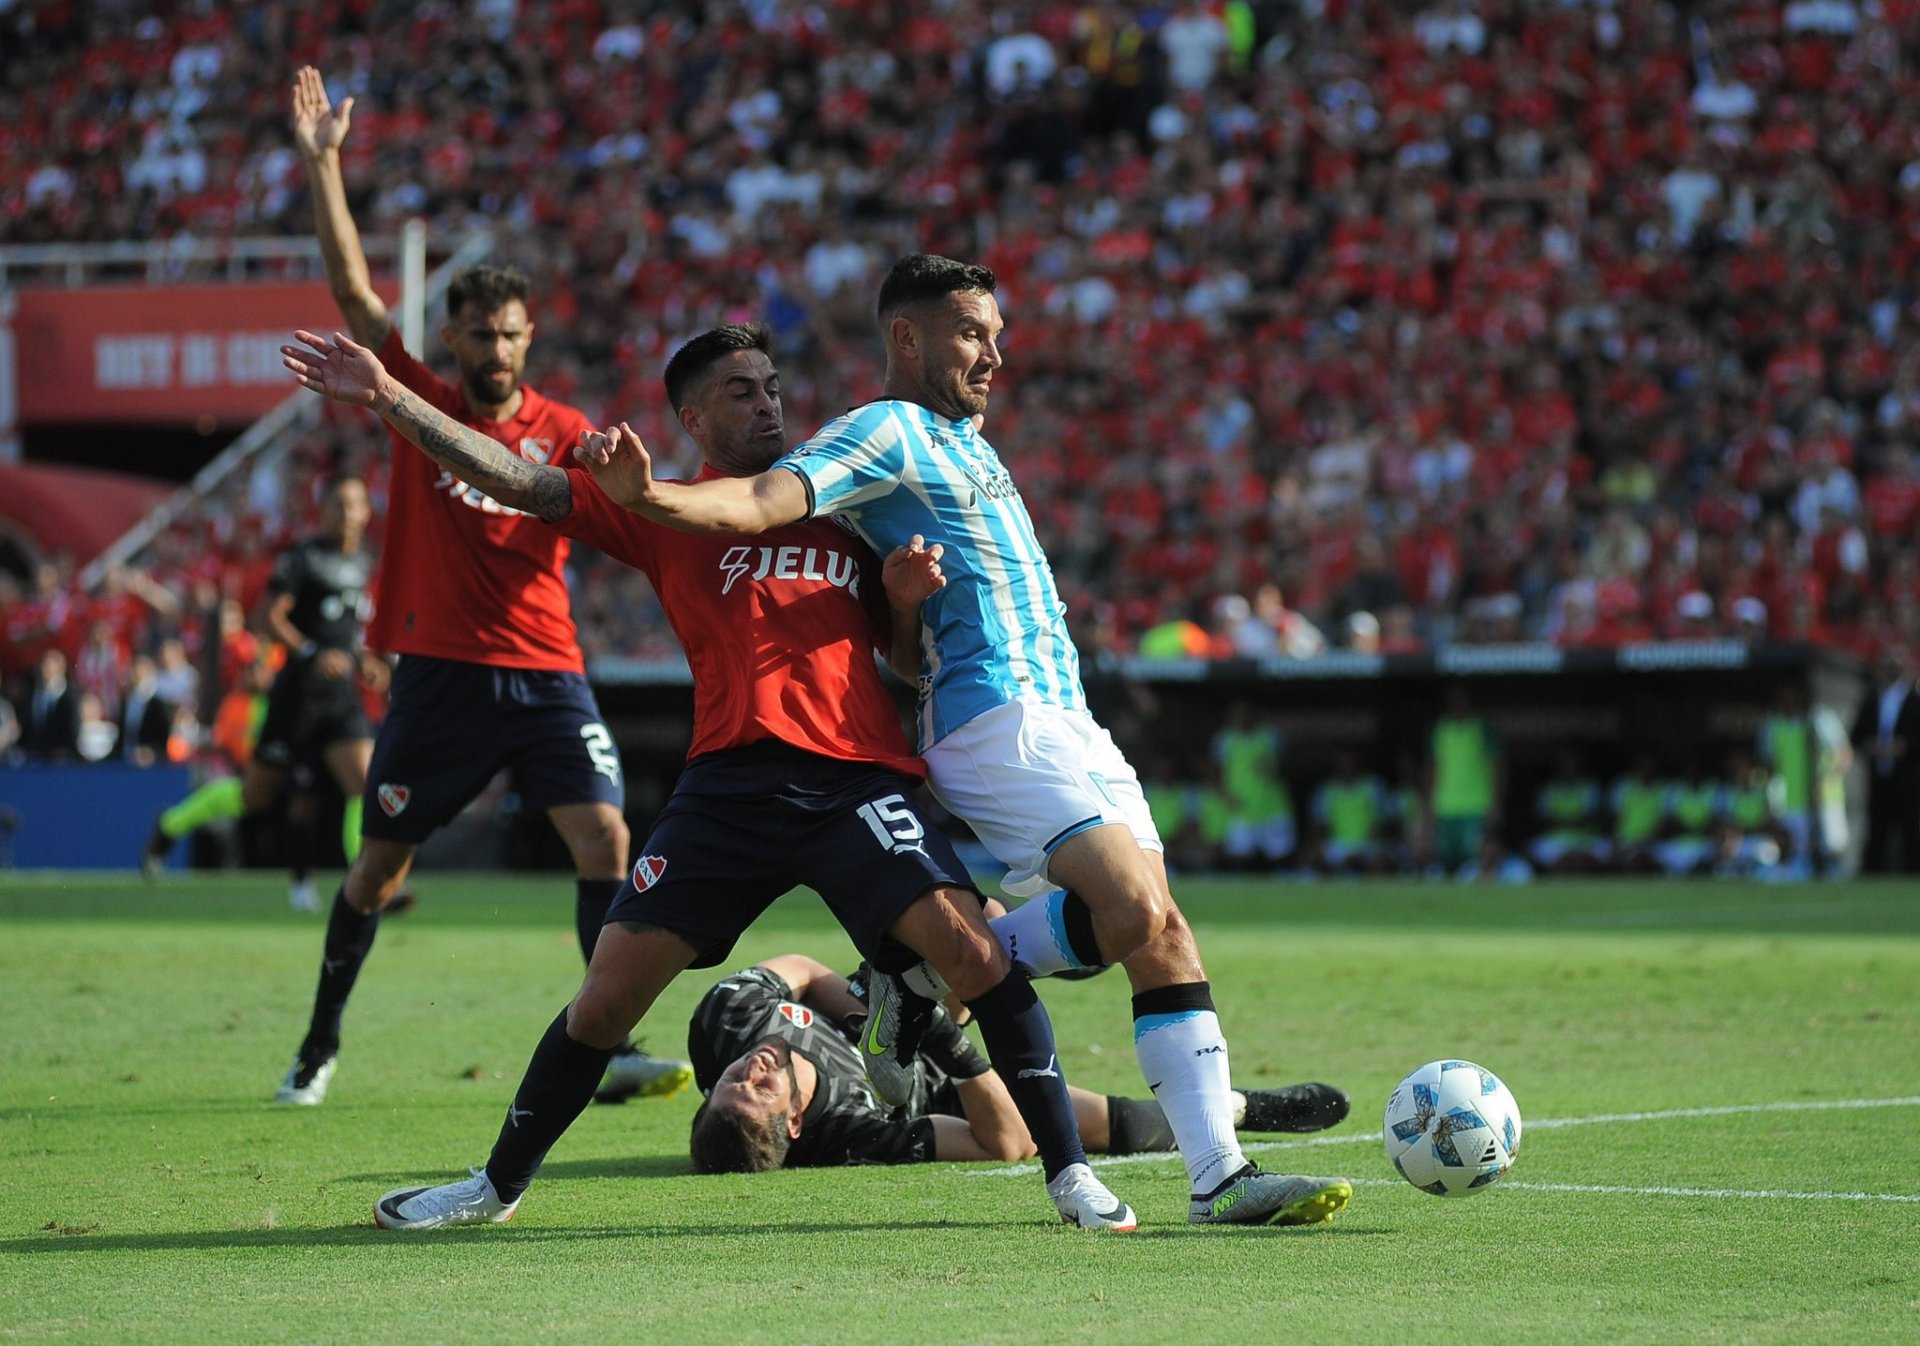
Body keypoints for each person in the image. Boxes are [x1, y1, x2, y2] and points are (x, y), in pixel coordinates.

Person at [281, 322, 1136, 1232]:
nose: (768, 402)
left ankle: (1069, 1178)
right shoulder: (655, 508)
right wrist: (386, 396)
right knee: (606, 996)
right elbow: (516, 479)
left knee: (976, 952)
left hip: (852, 781)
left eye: (771, 385)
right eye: (741, 390)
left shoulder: (839, 501)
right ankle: (493, 1189)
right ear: (692, 416)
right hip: (726, 789)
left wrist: (902, 601)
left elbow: (901, 661)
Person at [571, 254, 1351, 1227]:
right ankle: (1207, 1163)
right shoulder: (880, 429)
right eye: (973, 333)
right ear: (907, 338)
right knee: (1137, 904)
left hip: (1067, 713)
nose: (996, 351)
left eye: (998, 332)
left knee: (1152, 929)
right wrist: (647, 497)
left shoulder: (960, 436)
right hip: (996, 716)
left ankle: (947, 993)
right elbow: (765, 499)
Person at [278, 67, 679, 1109]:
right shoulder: (414, 400)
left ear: (528, 338)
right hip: (442, 676)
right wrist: (324, 164)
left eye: (511, 334)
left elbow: (633, 514)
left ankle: (610, 1042)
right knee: (378, 871)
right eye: (478, 334)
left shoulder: (565, 432)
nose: (495, 349)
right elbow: (357, 297)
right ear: (452, 338)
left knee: (608, 838)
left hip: (547, 668)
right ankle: (319, 1041)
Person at [686, 953, 1350, 1171]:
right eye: (759, 1090)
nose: (752, 1070)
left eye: (730, 1083)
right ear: (797, 1123)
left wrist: (869, 1025)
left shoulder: (723, 1024)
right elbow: (1004, 1144)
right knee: (1080, 1120)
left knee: (969, 932)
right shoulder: (845, 1128)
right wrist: (949, 1042)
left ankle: (1039, 949)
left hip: (882, 1008)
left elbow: (800, 969)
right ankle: (1242, 1109)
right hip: (943, 1082)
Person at [140, 476, 380, 910]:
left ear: (367, 512)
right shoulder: (303, 558)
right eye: (340, 504)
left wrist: (364, 660)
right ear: (324, 510)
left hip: (340, 695)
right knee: (257, 796)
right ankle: (172, 824)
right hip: (297, 695)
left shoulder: (364, 562)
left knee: (363, 782)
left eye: (357, 505)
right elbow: (269, 616)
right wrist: (310, 652)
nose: (349, 514)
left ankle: (367, 887)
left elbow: (348, 629)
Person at [1850, 644, 1920, 874]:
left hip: (1908, 780)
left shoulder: (1915, 700)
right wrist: (1873, 747)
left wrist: (1903, 747)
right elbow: (1857, 735)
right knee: (1877, 831)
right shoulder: (1872, 699)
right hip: (1879, 779)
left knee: (1911, 830)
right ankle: (1873, 877)